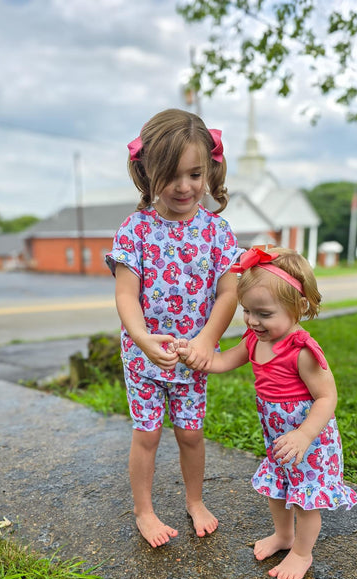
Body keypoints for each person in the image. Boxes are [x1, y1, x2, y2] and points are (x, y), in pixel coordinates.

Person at [175, 246, 357, 579]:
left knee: (306, 499)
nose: (252, 321)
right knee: (278, 489)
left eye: (264, 313)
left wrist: (304, 435)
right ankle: (283, 536)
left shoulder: (301, 351)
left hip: (310, 440)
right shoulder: (253, 340)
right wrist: (194, 355)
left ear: (299, 307)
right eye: (247, 311)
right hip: (277, 437)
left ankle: (302, 553)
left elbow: (327, 397)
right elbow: (220, 362)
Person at [106, 108, 240, 548]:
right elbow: (127, 294)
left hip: (193, 357)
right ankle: (144, 511)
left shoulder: (217, 232)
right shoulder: (136, 229)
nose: (185, 186)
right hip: (145, 357)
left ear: (210, 170)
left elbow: (228, 293)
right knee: (147, 435)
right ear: (147, 173)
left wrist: (207, 339)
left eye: (195, 173)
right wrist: (142, 338)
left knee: (190, 433)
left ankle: (195, 500)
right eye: (171, 175)